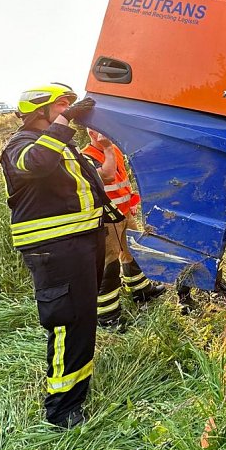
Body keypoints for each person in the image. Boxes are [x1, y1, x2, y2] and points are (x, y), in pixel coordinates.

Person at [0, 83, 109, 429]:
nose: (69, 111)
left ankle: (76, 390)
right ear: (40, 111)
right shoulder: (18, 147)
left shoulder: (63, 146)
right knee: (68, 322)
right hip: (56, 249)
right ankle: (61, 410)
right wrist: (63, 125)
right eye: (62, 106)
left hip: (80, 242)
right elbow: (37, 164)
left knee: (83, 321)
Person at [82, 129, 165, 329]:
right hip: (107, 218)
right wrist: (108, 147)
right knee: (108, 264)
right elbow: (108, 177)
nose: (97, 132)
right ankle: (107, 316)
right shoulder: (87, 156)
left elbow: (122, 181)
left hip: (125, 212)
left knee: (132, 251)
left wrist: (131, 200)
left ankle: (141, 290)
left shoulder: (115, 151)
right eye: (93, 128)